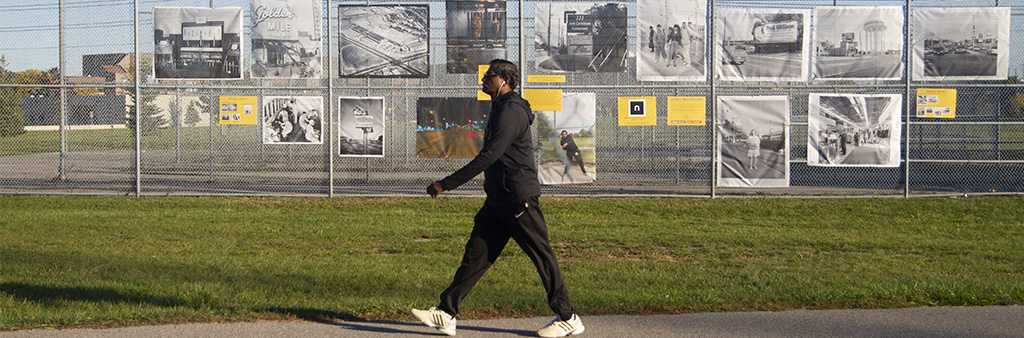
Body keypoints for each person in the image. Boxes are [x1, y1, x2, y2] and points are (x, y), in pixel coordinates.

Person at [411, 59, 584, 338]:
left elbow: (488, 156)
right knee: (476, 256)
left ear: (504, 80)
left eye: (488, 76)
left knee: (541, 256)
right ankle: (446, 313)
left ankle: (568, 318)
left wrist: (445, 184)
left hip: (517, 197)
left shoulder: (511, 111)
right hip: (498, 199)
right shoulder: (500, 107)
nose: (483, 80)